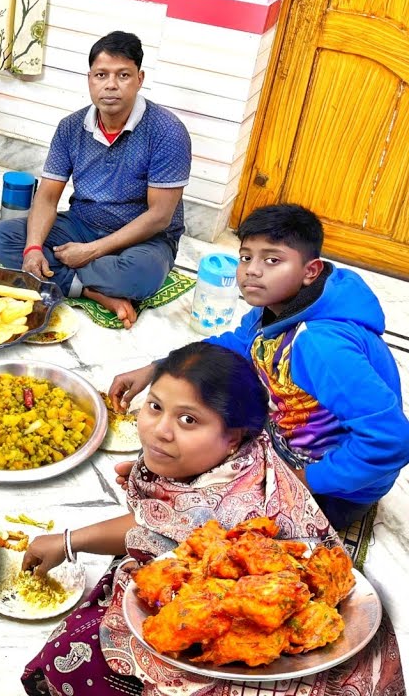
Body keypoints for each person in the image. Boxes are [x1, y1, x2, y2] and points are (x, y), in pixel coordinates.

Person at [22, 343, 401, 696]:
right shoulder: (230, 456)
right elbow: (159, 523)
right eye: (154, 406)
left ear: (233, 438)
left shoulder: (235, 515)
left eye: (188, 419)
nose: (160, 430)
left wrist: (70, 540)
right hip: (204, 591)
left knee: (71, 661)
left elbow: (159, 534)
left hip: (269, 659)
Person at [110, 204, 409, 530]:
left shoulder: (322, 346)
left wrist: (303, 481)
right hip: (287, 444)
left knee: (212, 529)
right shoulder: (278, 307)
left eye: (272, 260)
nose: (252, 270)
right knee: (200, 437)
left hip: (335, 488)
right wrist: (159, 368)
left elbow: (390, 439)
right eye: (245, 257)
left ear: (311, 270)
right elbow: (237, 346)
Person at [0, 31, 191, 328]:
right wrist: (33, 249)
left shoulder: (167, 131)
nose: (111, 85)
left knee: (139, 275)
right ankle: (92, 292)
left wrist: (90, 252)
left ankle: (69, 280)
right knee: (3, 237)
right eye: (101, 75)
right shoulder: (70, 127)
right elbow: (47, 197)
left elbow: (160, 217)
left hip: (145, 239)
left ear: (140, 78)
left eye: (123, 75)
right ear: (89, 80)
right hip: (82, 224)